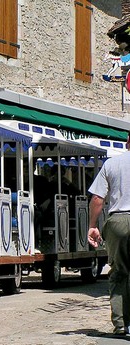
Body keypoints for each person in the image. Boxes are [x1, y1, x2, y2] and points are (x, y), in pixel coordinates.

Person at [88, 132, 130, 336]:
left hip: (118, 221)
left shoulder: (112, 164)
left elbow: (98, 198)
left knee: (119, 272)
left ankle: (121, 324)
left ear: (128, 142)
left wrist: (92, 225)